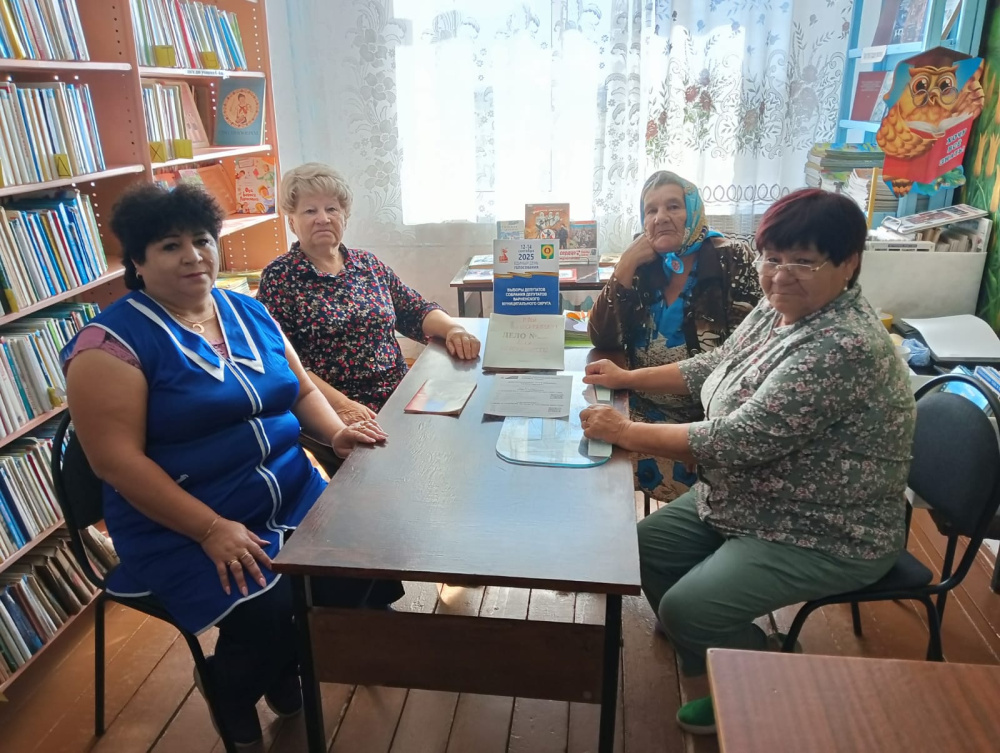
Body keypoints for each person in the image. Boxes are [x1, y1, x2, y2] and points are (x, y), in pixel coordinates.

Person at [61, 183, 394, 748]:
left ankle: (278, 667)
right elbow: (115, 463)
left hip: (291, 493)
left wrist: (335, 433)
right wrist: (210, 529)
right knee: (271, 607)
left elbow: (299, 389)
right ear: (137, 261)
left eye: (202, 240)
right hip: (184, 522)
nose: (193, 256)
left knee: (363, 564)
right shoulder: (109, 345)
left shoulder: (249, 310)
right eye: (170, 246)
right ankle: (232, 687)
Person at [580, 188, 916, 736]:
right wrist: (628, 378)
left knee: (688, 608)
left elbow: (739, 439)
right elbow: (715, 363)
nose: (780, 275)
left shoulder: (843, 345)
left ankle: (759, 675)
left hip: (822, 527)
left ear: (849, 264)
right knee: (637, 550)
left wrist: (625, 431)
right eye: (772, 258)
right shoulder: (780, 305)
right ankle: (708, 643)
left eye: (803, 261)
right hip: (747, 496)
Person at [257, 162, 480, 472]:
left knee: (460, 443)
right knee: (382, 481)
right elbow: (281, 362)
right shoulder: (280, 277)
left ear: (345, 216)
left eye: (332, 209)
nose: (323, 218)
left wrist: (454, 329)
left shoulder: (367, 264)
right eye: (310, 211)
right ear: (292, 220)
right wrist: (342, 406)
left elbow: (414, 309)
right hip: (337, 410)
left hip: (400, 393)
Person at [589, 171, 760, 504]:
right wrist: (623, 268)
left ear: (693, 211)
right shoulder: (644, 262)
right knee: (584, 446)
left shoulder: (731, 258)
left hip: (704, 421)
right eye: (650, 210)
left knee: (599, 467)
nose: (661, 218)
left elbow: (741, 361)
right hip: (640, 406)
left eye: (673, 206)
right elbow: (601, 338)